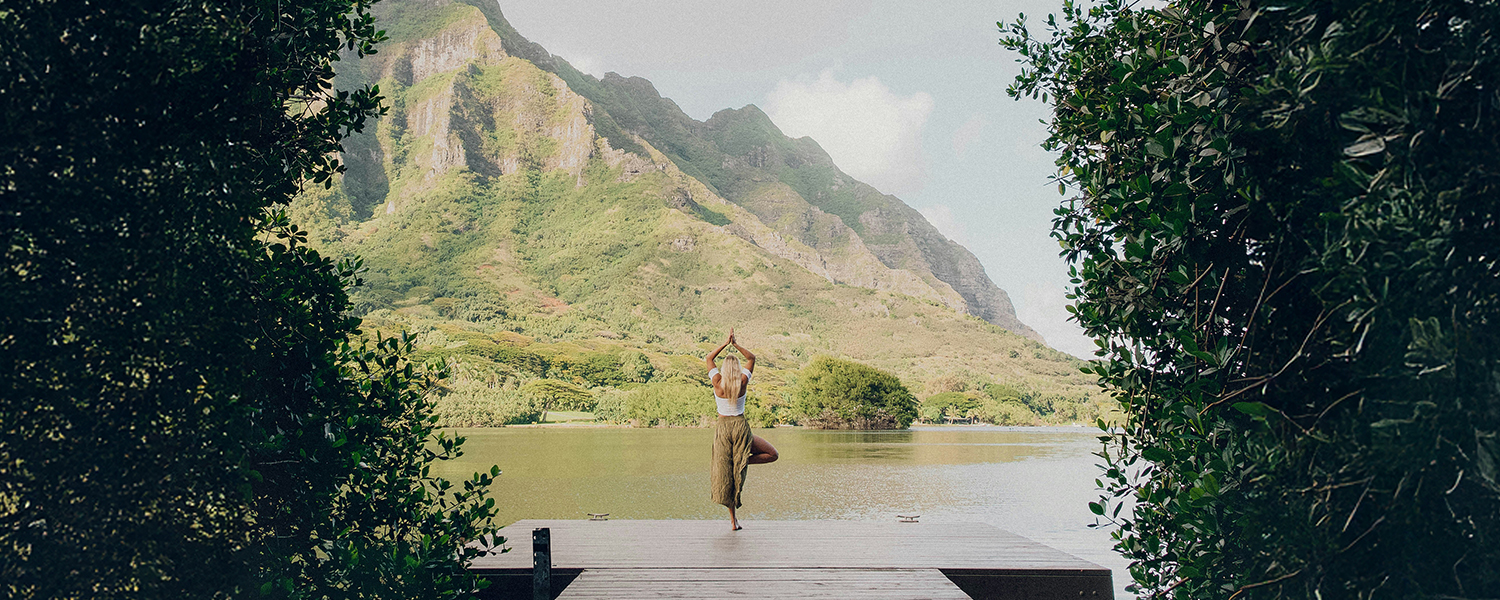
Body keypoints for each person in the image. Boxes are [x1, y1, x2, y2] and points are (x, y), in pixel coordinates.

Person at [705, 328, 778, 530]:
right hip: (739, 427)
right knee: (772, 454)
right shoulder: (742, 381)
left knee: (725, 474)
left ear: (723, 368)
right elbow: (752, 358)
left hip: (723, 429)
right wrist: (735, 344)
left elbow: (709, 358)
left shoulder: (717, 382)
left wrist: (724, 344)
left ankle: (733, 520)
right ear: (736, 368)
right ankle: (741, 460)